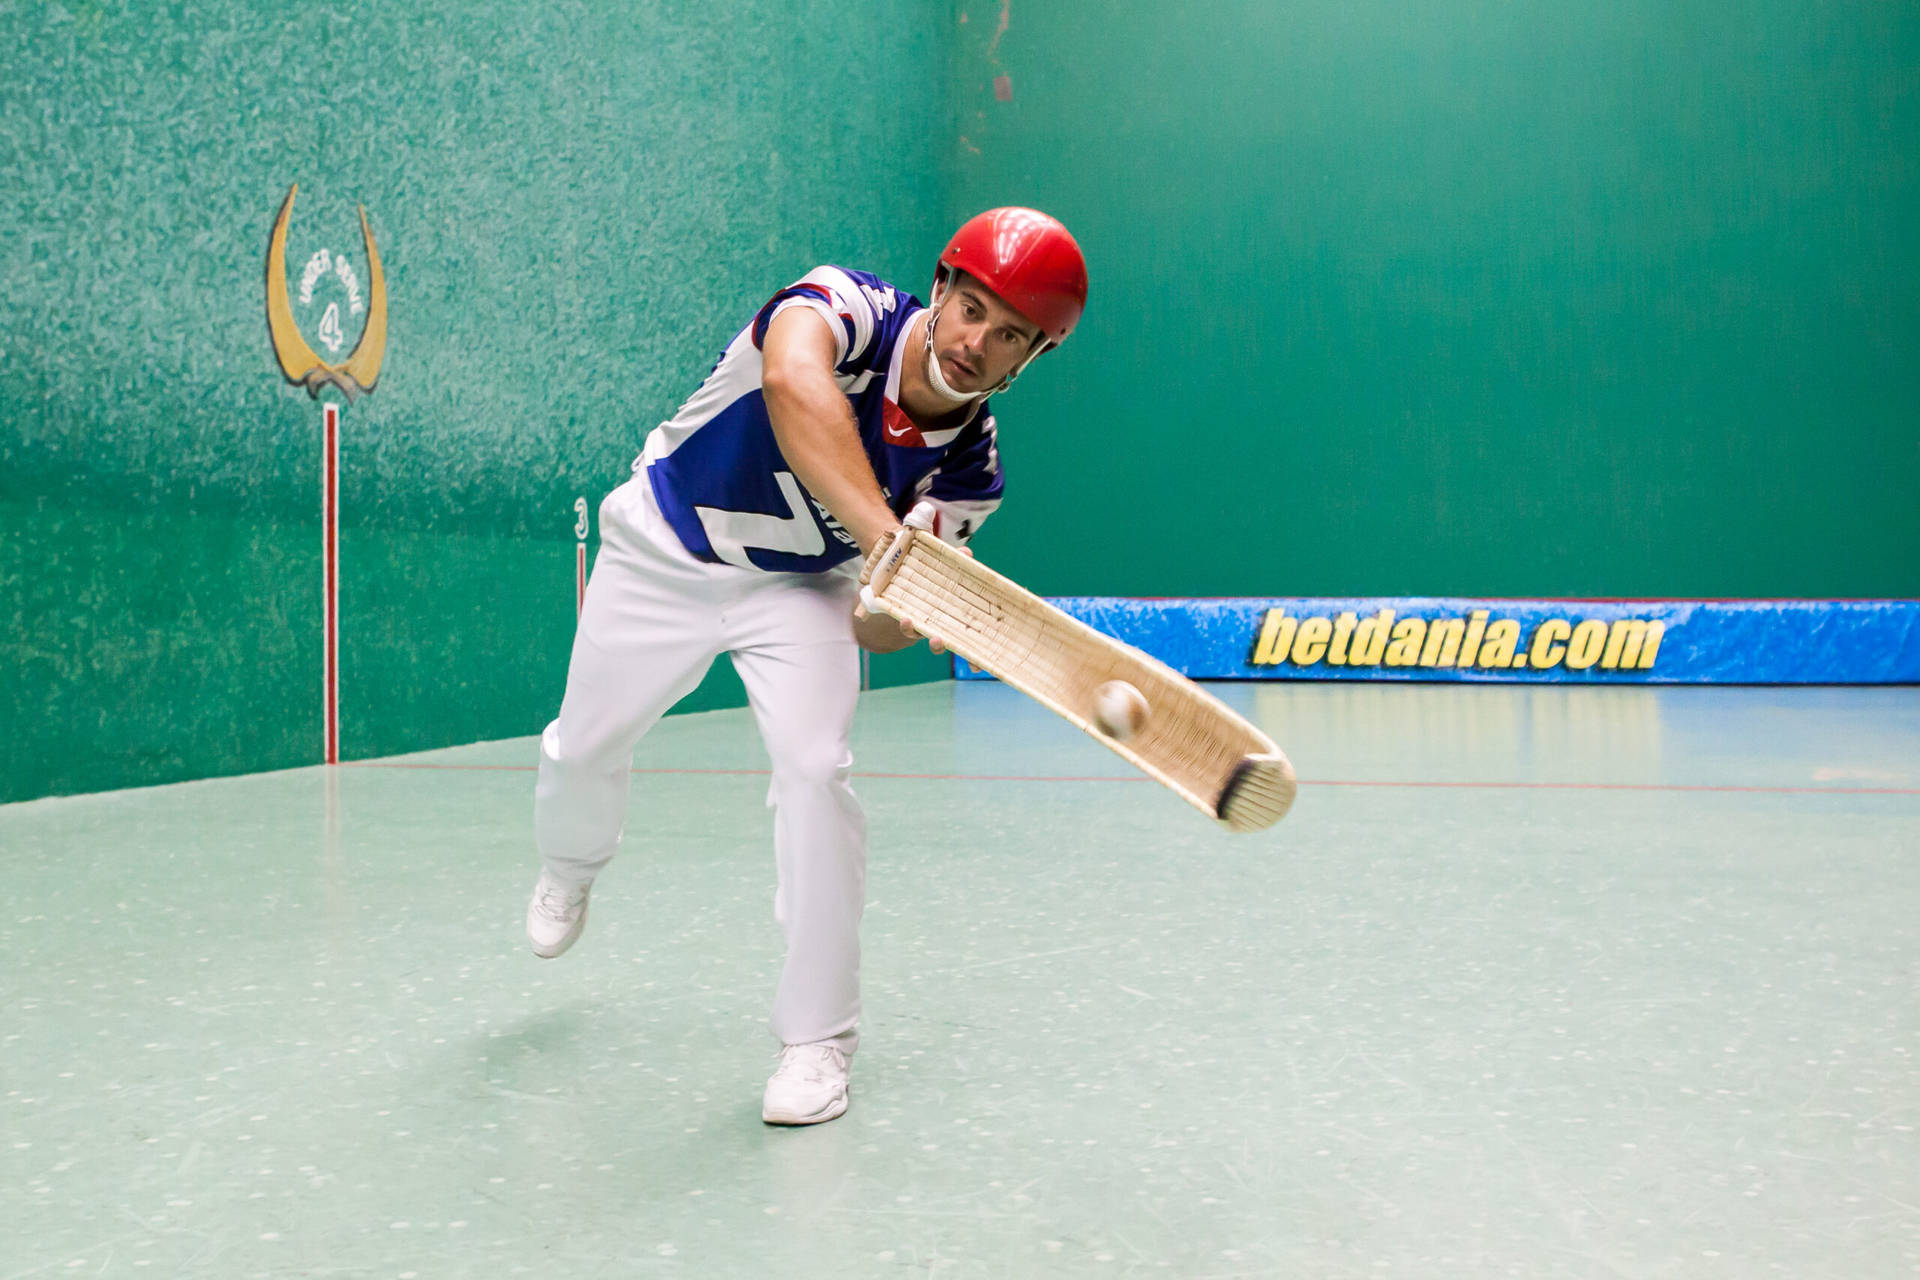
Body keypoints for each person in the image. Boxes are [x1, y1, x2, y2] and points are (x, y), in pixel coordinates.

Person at [525, 207, 1088, 1125]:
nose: (979, 341)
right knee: (584, 747)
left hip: (801, 594)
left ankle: (818, 1043)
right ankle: (571, 863)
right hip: (665, 543)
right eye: (974, 309)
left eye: (1012, 335)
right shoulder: (844, 306)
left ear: (1030, 360)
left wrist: (915, 605)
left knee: (818, 773)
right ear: (941, 290)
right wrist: (891, 547)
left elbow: (872, 628)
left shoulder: (970, 472)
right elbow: (791, 381)